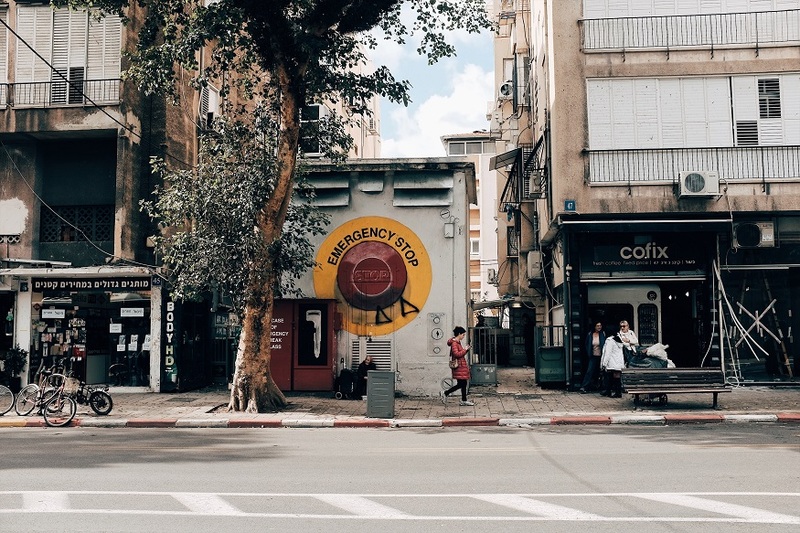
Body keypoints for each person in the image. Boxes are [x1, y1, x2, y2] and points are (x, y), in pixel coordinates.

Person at [440, 326, 474, 406]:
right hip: (459, 366)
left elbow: (460, 354)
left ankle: (463, 400)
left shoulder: (457, 343)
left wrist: (466, 350)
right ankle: (446, 393)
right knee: (462, 384)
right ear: (459, 334)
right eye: (463, 334)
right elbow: (457, 354)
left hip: (461, 366)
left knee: (463, 383)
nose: (463, 336)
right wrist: (465, 349)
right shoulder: (454, 343)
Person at [579, 322, 605, 393]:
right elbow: (587, 344)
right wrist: (589, 353)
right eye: (597, 326)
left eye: (600, 325)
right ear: (594, 326)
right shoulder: (590, 334)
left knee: (603, 371)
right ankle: (584, 386)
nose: (599, 327)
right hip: (593, 355)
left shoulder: (603, 334)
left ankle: (604, 387)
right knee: (589, 371)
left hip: (601, 356)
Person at [600, 332, 626, 398]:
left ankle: (611, 391)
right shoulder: (618, 340)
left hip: (612, 362)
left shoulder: (610, 341)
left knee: (609, 377)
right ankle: (617, 392)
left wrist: (604, 363)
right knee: (616, 377)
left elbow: (607, 353)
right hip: (618, 362)